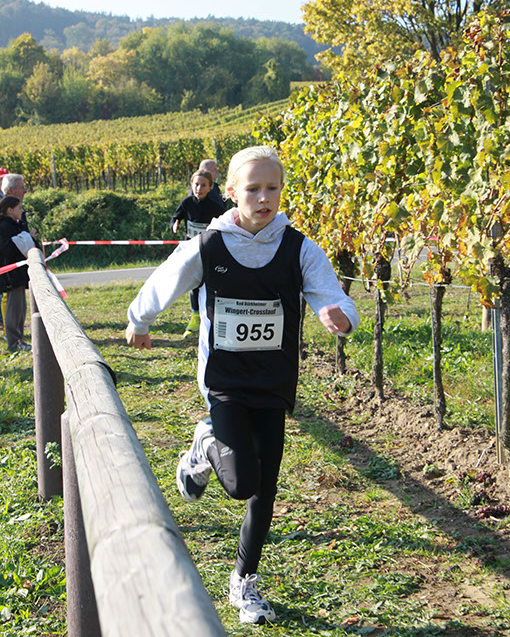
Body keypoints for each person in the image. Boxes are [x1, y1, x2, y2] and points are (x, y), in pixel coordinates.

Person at [126, 145, 360, 625]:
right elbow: (166, 280)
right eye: (252, 189)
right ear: (232, 193)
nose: (264, 197)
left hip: (273, 381)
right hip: (225, 382)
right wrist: (140, 320)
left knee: (265, 488)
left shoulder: (298, 247)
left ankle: (244, 582)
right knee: (240, 483)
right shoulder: (209, 244)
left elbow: (330, 295)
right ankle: (205, 439)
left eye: (272, 188)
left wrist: (341, 317)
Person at [169, 169, 226, 335]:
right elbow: (176, 216)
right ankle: (194, 319)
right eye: (196, 184)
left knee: (210, 283)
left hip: (209, 251)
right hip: (191, 250)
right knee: (193, 284)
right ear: (191, 185)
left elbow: (225, 221)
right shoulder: (187, 203)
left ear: (210, 187)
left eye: (203, 185)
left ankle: (211, 318)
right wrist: (175, 223)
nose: (199, 188)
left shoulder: (215, 206)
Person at [0, 196, 36, 352]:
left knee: (21, 309)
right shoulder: (4, 226)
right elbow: (7, 249)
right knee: (14, 311)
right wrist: (26, 239)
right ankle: (14, 343)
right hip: (11, 276)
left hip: (19, 275)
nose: (22, 211)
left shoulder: (15, 225)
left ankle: (19, 340)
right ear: (10, 210)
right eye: (19, 208)